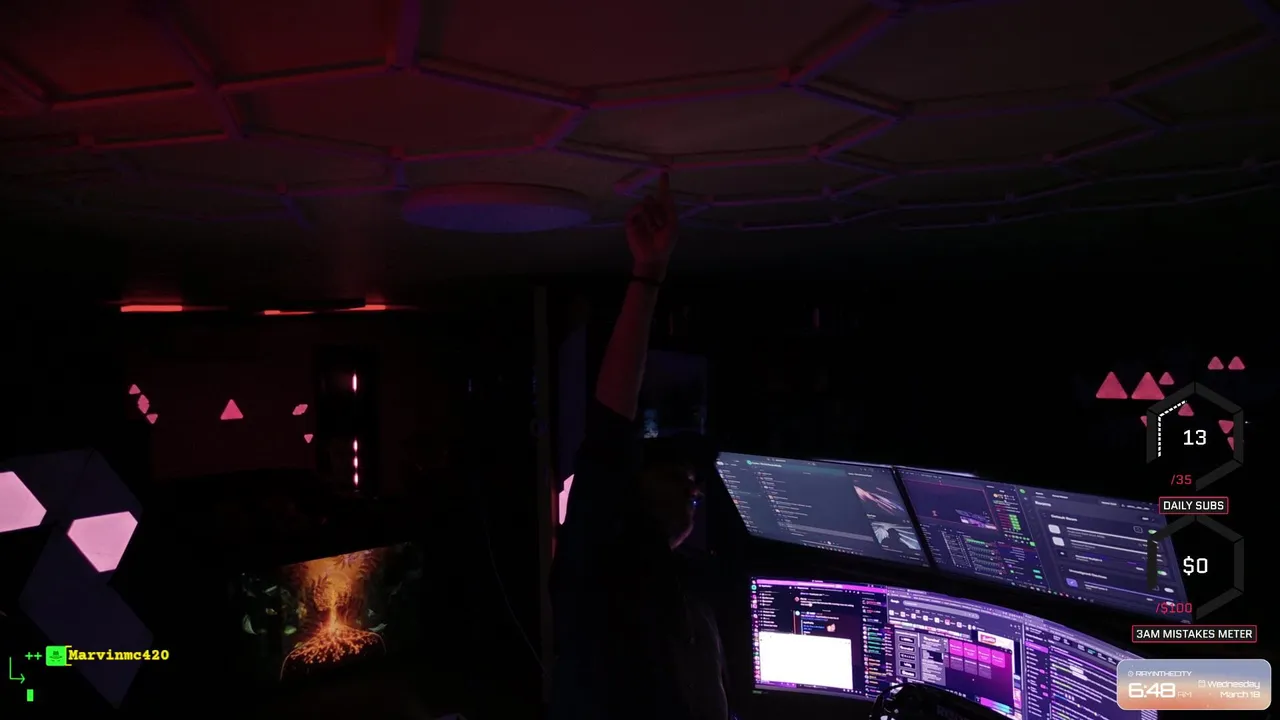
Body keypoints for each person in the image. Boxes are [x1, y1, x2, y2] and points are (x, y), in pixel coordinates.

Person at [549, 173, 730, 720]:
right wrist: (647, 274)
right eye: (688, 485)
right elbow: (611, 426)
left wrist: (649, 274)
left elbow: (612, 423)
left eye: (686, 482)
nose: (693, 494)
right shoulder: (600, 565)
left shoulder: (600, 565)